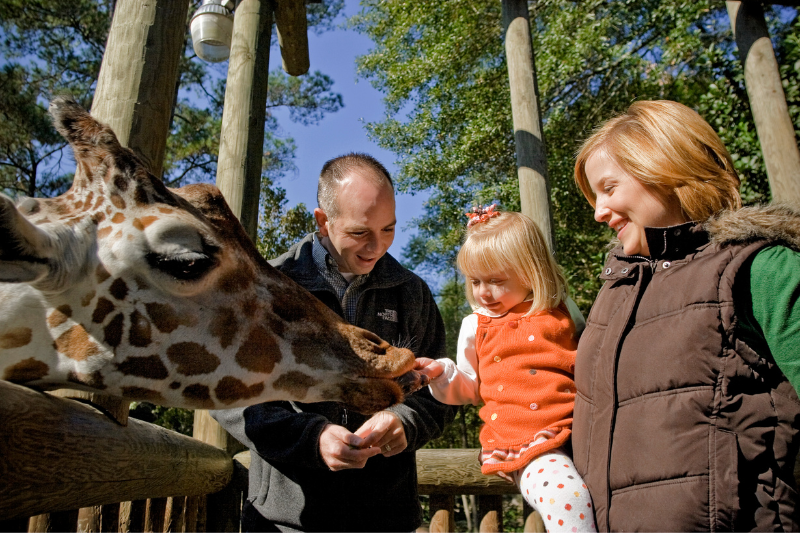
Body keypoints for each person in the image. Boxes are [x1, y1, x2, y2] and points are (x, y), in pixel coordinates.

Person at [572, 99, 800, 531]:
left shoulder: (762, 268)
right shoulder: (614, 293)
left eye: (609, 188)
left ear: (665, 166)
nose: (599, 211)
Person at [211, 153, 455, 532]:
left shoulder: (413, 293)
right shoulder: (270, 285)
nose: (377, 247)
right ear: (323, 222)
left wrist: (403, 421)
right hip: (283, 522)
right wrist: (311, 437)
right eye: (361, 232)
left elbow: (440, 389)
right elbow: (229, 393)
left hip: (387, 519)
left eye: (389, 229)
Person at [415, 207, 597, 533]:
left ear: (531, 272)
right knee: (564, 495)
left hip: (583, 432)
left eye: (496, 281)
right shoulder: (477, 326)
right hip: (525, 441)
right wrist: (442, 374)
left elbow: (591, 361)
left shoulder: (561, 309)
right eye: (475, 281)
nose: (483, 292)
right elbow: (470, 387)